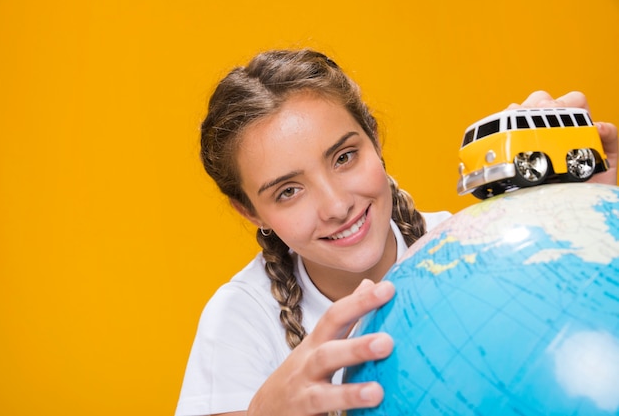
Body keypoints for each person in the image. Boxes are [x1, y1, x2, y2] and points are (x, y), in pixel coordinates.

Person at [175, 49, 618, 416]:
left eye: (344, 157)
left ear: (374, 139)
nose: (336, 206)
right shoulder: (241, 318)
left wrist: (592, 218)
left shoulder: (476, 245)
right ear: (250, 212)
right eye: (289, 191)